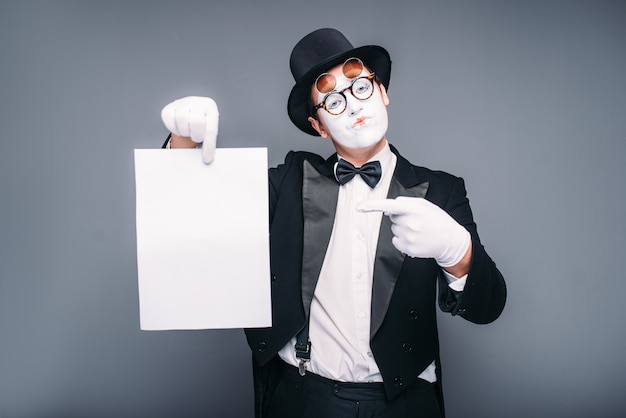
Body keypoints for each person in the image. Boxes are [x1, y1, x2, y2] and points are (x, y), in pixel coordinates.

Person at [161, 28, 506, 418]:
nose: (354, 105)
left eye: (360, 87)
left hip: (405, 404)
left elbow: (489, 306)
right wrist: (182, 142)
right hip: (303, 399)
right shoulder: (290, 181)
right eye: (333, 101)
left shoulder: (441, 191)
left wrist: (457, 251)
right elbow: (198, 218)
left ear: (382, 93)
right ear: (319, 126)